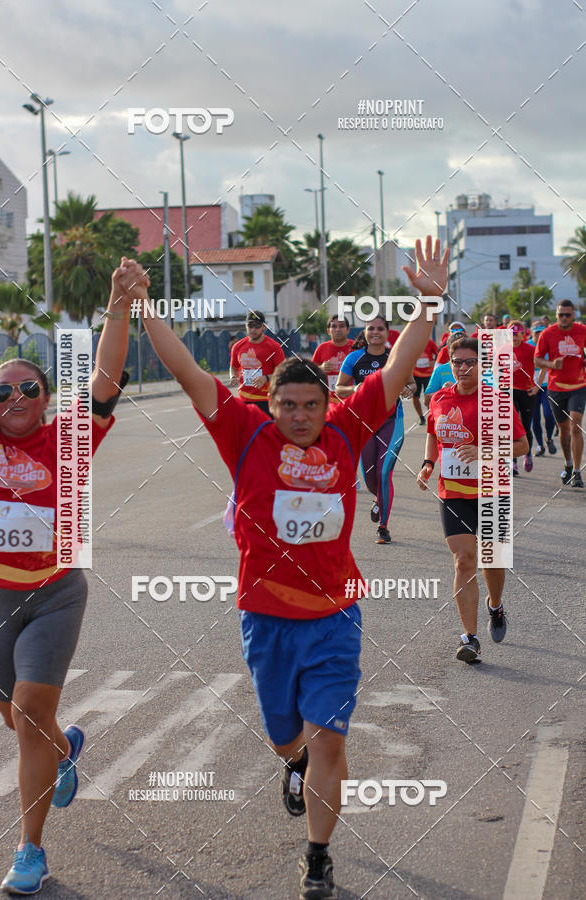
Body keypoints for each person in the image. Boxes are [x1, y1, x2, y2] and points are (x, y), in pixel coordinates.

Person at [133, 238, 448, 899]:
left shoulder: (347, 426)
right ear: (270, 405)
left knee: (332, 741)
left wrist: (428, 304)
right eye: (289, 406)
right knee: (287, 738)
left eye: (311, 405)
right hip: (265, 618)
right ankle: (292, 761)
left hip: (335, 617)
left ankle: (318, 857)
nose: (301, 418)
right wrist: (143, 311)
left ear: (325, 401)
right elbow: (190, 371)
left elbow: (397, 368)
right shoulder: (244, 433)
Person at [0, 259, 136, 894]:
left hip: (54, 592)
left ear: (47, 400)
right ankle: (64, 751)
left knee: (29, 708)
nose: (16, 398)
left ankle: (30, 850)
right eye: (2, 390)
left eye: (28, 389)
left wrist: (119, 305)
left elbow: (103, 378)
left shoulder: (68, 439)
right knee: (16, 721)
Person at [417, 336, 528, 663]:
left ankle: (495, 605)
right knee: (464, 560)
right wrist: (427, 464)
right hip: (453, 493)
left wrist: (484, 452)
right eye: (457, 362)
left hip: (493, 490)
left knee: (492, 561)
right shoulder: (439, 398)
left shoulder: (497, 401)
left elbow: (521, 446)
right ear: (449, 363)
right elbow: (432, 437)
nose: (463, 368)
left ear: (482, 365)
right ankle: (470, 638)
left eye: (470, 362)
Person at [335, 317, 411, 544]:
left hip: (391, 422)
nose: (375, 332)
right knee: (370, 479)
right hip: (364, 425)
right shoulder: (354, 358)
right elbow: (339, 388)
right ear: (365, 332)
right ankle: (379, 499)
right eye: (371, 328)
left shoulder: (396, 358)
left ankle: (383, 528)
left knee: (383, 473)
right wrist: (355, 388)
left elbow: (412, 383)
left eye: (380, 328)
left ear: (387, 332)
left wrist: (408, 389)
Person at [535, 299, 586, 487]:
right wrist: (551, 364)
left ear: (573, 315)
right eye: (560, 315)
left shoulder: (582, 331)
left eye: (568, 314)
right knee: (564, 430)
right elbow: (537, 360)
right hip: (556, 388)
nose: (564, 318)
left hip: (579, 386)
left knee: (576, 425)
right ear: (556, 315)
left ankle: (578, 472)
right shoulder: (548, 334)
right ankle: (568, 463)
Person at [229, 310, 285, 415]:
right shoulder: (237, 347)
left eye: (257, 326)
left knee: (266, 431)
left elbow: (284, 373)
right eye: (250, 325)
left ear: (264, 327)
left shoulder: (274, 347)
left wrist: (266, 378)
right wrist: (233, 376)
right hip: (245, 399)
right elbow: (233, 367)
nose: (253, 329)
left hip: (267, 400)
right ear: (246, 326)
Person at [509, 320, 537, 475]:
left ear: (522, 334)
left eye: (517, 334)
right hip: (509, 391)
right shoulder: (502, 350)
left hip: (527, 392)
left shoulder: (530, 349)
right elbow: (492, 369)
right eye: (511, 334)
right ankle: (513, 463)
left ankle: (527, 454)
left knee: (526, 427)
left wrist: (537, 386)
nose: (514, 337)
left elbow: (543, 366)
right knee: (512, 428)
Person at [311, 316, 354, 403]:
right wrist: (320, 369)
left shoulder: (356, 347)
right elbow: (309, 372)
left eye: (341, 326)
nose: (337, 329)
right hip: (329, 401)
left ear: (348, 330)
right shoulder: (321, 348)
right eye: (334, 326)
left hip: (353, 399)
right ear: (328, 331)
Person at [528, 322, 556, 456]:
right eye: (537, 332)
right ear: (532, 333)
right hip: (530, 387)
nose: (539, 335)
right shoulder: (527, 345)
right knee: (535, 418)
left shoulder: (550, 345)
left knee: (549, 415)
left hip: (546, 386)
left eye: (542, 333)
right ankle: (539, 445)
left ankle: (549, 437)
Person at [411, 336, 439, 424]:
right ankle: (421, 417)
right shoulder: (411, 344)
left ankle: (431, 415)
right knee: (415, 397)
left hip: (428, 374)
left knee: (429, 396)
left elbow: (439, 353)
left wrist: (434, 361)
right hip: (415, 375)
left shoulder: (430, 342)